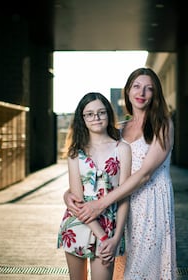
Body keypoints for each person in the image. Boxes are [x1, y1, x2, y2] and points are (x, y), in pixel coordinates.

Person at [64, 68, 177, 279]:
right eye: (136, 86)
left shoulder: (163, 125)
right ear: (127, 90)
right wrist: (68, 193)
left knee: (144, 269)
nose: (141, 92)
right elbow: (98, 168)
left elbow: (144, 174)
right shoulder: (119, 129)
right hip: (119, 207)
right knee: (120, 269)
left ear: (156, 94)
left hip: (150, 204)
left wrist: (100, 203)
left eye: (149, 88)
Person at [57, 92, 132, 280]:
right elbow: (77, 201)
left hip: (109, 226)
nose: (96, 118)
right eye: (89, 114)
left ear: (108, 114)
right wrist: (103, 236)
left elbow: (124, 196)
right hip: (78, 224)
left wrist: (114, 238)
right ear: (82, 119)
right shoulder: (75, 153)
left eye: (101, 112)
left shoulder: (122, 149)